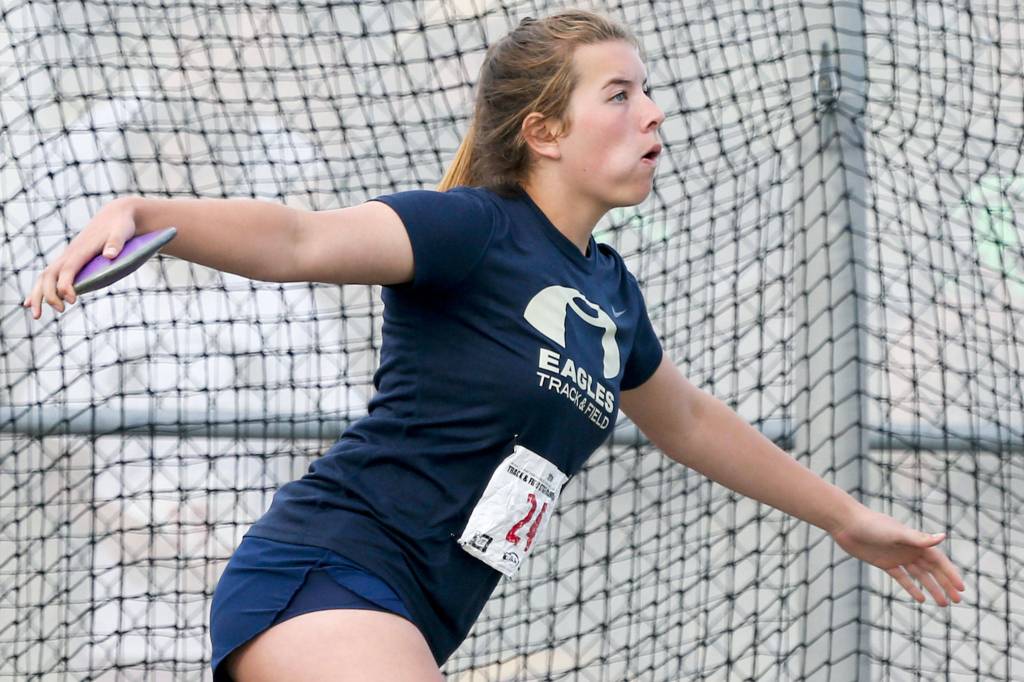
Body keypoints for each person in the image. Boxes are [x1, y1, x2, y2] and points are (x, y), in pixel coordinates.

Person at [22, 9, 966, 682]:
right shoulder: (471, 231)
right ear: (544, 131)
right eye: (621, 93)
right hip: (327, 575)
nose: (654, 113)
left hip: (415, 619)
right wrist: (148, 214)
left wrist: (845, 516)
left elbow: (687, 419)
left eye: (651, 92)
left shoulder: (610, 293)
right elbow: (302, 240)